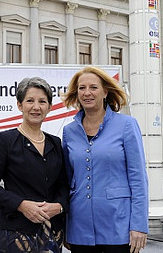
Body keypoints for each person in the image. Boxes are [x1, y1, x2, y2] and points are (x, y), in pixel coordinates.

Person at [61, 66, 149, 253]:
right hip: (79, 228)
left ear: (105, 91)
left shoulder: (126, 125)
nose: (87, 93)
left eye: (93, 87)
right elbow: (67, 182)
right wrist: (66, 227)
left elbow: (138, 179)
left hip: (118, 226)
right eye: (82, 88)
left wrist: (139, 225)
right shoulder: (69, 132)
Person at [0, 77, 68, 253]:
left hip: (52, 233)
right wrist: (21, 205)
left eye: (42, 101)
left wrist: (59, 206)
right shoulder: (5, 140)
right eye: (30, 101)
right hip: (15, 234)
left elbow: (64, 185)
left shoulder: (55, 143)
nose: (36, 107)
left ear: (49, 107)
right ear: (20, 105)